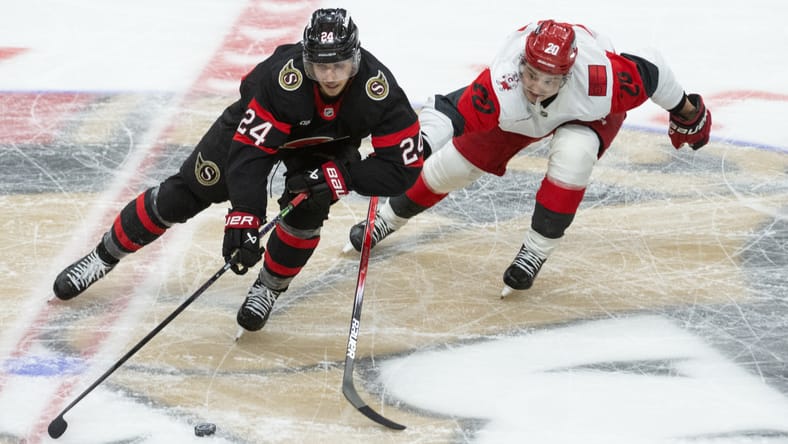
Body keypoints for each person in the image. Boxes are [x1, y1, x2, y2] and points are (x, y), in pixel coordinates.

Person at [53, 8, 424, 332]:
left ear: (356, 59)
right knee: (187, 192)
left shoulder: (379, 90)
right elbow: (250, 153)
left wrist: (342, 177)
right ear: (306, 61)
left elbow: (404, 167)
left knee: (308, 206)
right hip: (257, 126)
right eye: (320, 66)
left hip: (325, 147)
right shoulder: (283, 81)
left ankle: (269, 287)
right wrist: (245, 215)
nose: (330, 76)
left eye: (340, 65)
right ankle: (104, 255)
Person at [346, 19, 712, 296]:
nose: (536, 86)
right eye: (531, 73)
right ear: (521, 62)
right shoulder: (505, 82)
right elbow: (448, 112)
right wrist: (416, 147)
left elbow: (655, 74)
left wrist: (686, 110)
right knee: (453, 167)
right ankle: (388, 219)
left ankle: (534, 252)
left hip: (586, 113)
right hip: (518, 116)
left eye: (549, 80)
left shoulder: (603, 80)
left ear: (568, 75)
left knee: (574, 156)